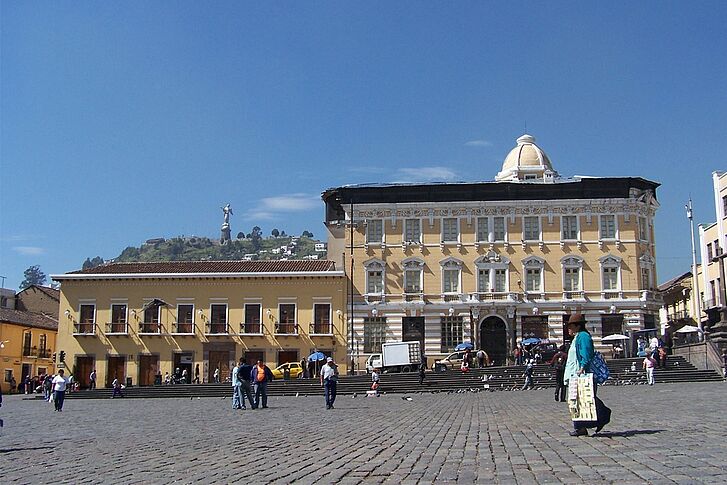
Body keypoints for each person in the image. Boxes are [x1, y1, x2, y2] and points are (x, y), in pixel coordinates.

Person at [564, 313, 611, 437]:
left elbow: (586, 353)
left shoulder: (583, 337)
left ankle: (603, 414)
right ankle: (581, 427)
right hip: (575, 375)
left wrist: (582, 367)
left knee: (586, 399)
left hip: (581, 374)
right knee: (577, 401)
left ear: (578, 326)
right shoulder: (577, 337)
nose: (568, 329)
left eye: (570, 326)